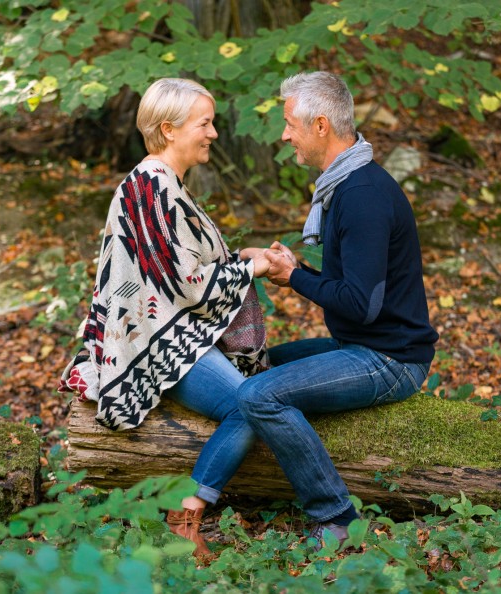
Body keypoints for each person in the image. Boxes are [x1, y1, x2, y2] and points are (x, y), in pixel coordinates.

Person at [58, 78, 271, 558]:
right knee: (252, 404)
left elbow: (178, 271)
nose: (214, 133)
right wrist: (252, 267)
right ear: (170, 129)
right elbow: (187, 285)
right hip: (157, 344)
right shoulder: (151, 188)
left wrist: (244, 257)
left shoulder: (162, 186)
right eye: (205, 123)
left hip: (172, 334)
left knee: (266, 394)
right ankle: (185, 517)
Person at [237, 71, 439, 550]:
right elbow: (356, 288)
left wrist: (295, 277)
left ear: (321, 125)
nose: (284, 135)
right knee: (255, 365)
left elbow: (362, 306)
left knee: (259, 396)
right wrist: (296, 267)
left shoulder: (362, 195)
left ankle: (336, 518)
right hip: (361, 345)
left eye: (290, 124)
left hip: (391, 359)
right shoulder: (345, 182)